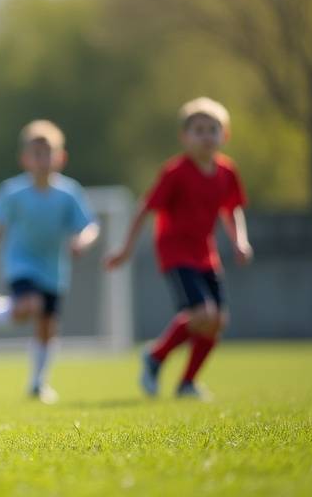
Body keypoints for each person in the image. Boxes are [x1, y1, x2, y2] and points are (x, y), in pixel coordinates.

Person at [106, 97, 251, 400]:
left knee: (216, 322)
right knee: (203, 313)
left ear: (225, 135)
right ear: (185, 137)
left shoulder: (227, 172)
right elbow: (145, 209)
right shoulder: (175, 173)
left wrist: (240, 240)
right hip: (175, 251)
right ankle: (157, 356)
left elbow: (232, 208)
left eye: (212, 129)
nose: (206, 136)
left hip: (204, 252)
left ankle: (184, 381)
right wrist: (125, 249)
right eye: (198, 130)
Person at [0, 120, 99, 404]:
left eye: (48, 152)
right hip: (20, 264)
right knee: (30, 306)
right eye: (36, 153)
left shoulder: (68, 193)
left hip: (54, 270)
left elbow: (89, 226)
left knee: (47, 326)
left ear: (61, 157)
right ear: (24, 159)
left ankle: (37, 383)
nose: (42, 159)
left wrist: (83, 241)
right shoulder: (13, 192)